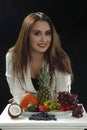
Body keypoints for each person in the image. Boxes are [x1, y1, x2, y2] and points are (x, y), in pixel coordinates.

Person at [5, 12, 74, 104]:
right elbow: (18, 95)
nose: (44, 39)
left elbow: (61, 98)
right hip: (26, 115)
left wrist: (28, 98)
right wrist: (22, 99)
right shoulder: (13, 57)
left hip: (56, 114)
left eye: (47, 33)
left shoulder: (60, 59)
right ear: (26, 35)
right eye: (37, 33)